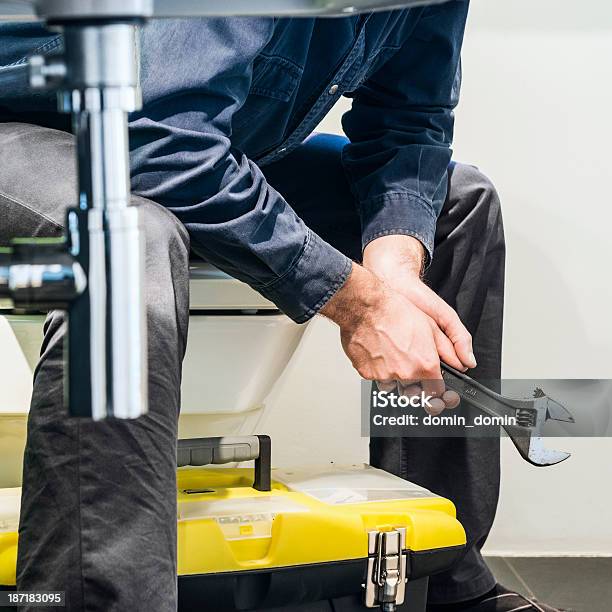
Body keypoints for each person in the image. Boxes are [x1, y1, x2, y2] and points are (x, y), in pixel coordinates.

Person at [0, 4, 562, 611]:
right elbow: (166, 148)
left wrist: (393, 266)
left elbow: (409, 120)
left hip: (196, 136)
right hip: (46, 131)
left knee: (459, 204)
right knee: (128, 243)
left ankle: (443, 589)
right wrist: (359, 303)